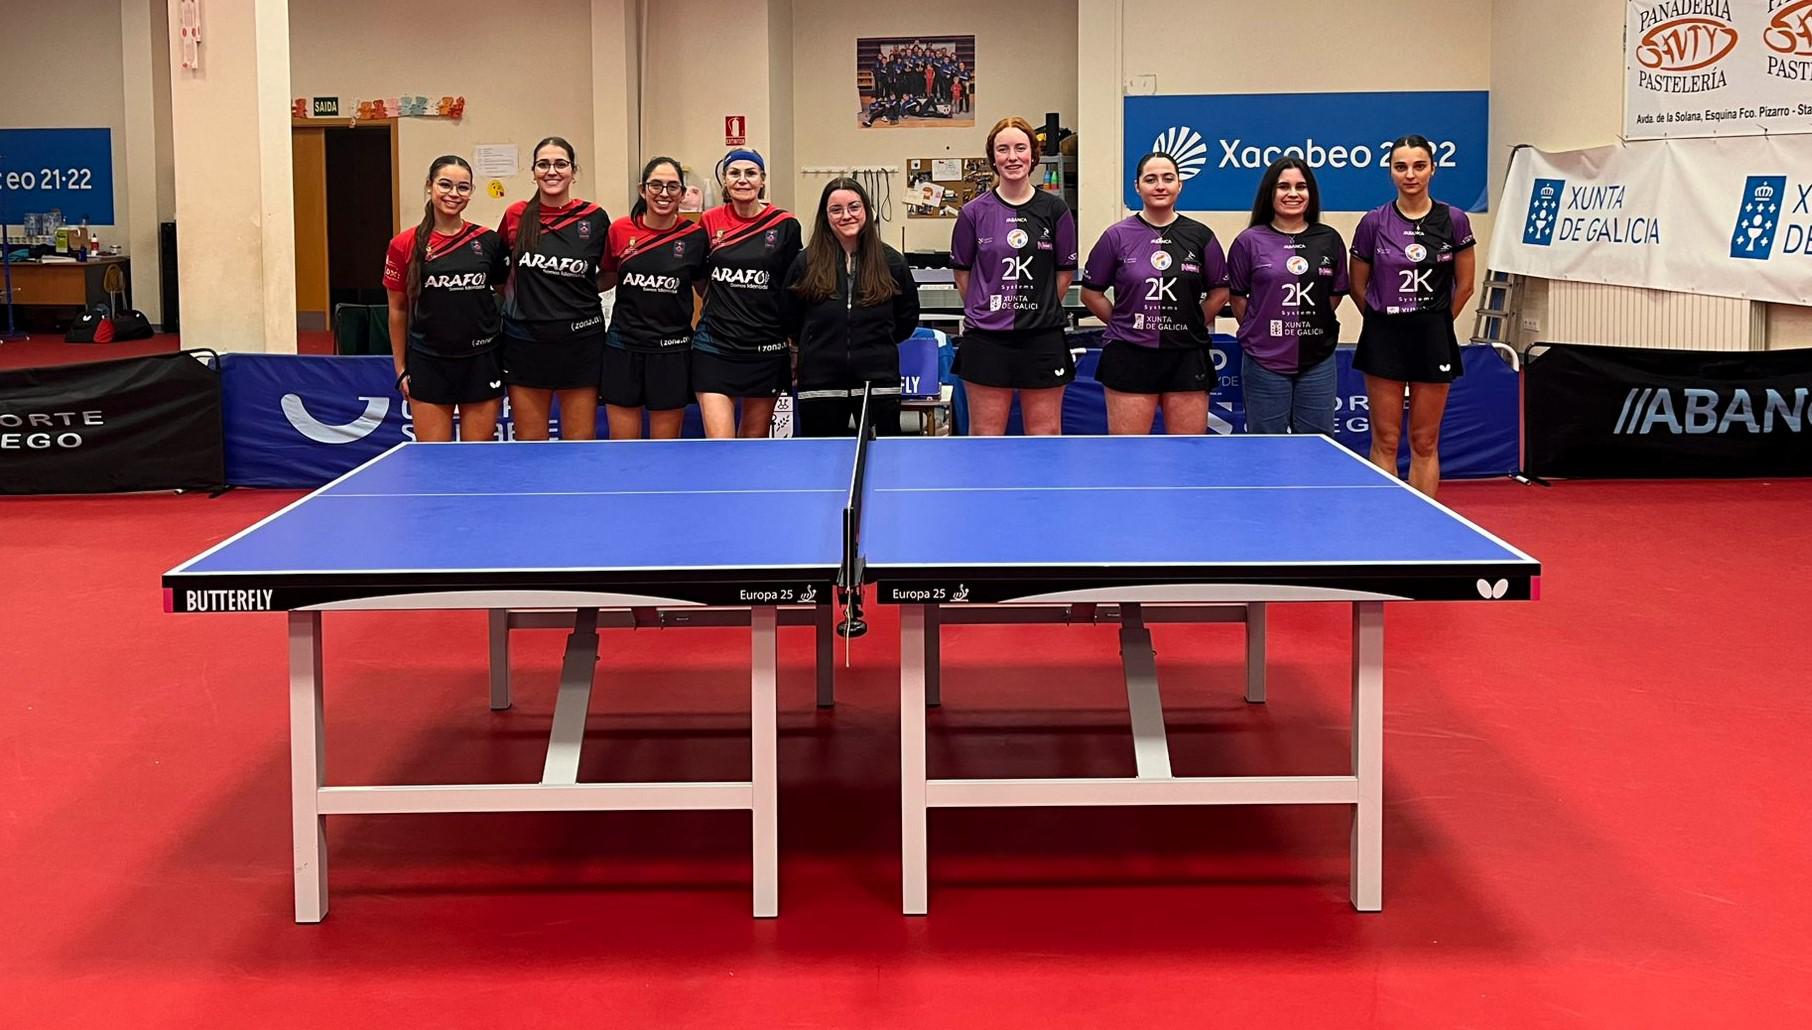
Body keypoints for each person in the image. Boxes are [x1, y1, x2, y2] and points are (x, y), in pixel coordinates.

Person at [1349, 134, 1477, 495]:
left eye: (1419, 166)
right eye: (1401, 167)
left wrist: (1435, 322)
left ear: (1433, 169)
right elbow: (1358, 286)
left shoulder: (1454, 220)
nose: (1410, 174)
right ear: (1390, 171)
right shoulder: (1374, 222)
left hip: (1433, 337)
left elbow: (1465, 286)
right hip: (1384, 336)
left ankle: (1423, 520)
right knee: (1386, 440)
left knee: (1424, 440)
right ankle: (1386, 518)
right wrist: (1385, 319)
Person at [1079, 152, 1228, 435]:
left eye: (1168, 178)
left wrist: (1192, 322)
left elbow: (1220, 293)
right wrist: (1123, 323)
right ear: (1137, 187)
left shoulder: (1201, 236)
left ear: (1179, 185)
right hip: (1129, 355)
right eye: (1151, 179)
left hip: (1186, 355)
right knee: (1129, 452)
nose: (1160, 186)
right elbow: (1091, 293)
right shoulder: (1116, 236)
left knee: (1188, 451)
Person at [950, 115, 1079, 435]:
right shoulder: (973, 213)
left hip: (1042, 337)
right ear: (992, 157)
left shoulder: (1055, 210)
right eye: (1003, 149)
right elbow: (963, 276)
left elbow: (1064, 274)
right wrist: (989, 309)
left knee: (1045, 437)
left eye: (1020, 148)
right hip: (987, 339)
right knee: (986, 437)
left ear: (1033, 155)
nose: (1012, 157)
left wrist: (1037, 308)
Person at [779, 177, 920, 437]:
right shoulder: (804, 263)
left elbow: (906, 318)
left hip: (878, 385)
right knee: (822, 459)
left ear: (866, 210)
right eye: (836, 209)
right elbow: (790, 317)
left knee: (883, 459)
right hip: (820, 386)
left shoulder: (892, 262)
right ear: (826, 216)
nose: (846, 215)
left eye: (854, 207)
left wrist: (875, 345)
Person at [384, 155, 509, 442]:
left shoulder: (488, 241)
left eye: (463, 187)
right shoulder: (404, 243)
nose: (454, 193)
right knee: (434, 459)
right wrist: (401, 368)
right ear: (429, 185)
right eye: (445, 184)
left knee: (476, 458)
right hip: (429, 361)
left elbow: (508, 293)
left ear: (471, 192)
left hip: (481, 360)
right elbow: (397, 309)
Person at [496, 136, 610, 441]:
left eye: (561, 164)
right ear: (533, 172)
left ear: (573, 171)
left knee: (580, 444)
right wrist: (526, 300)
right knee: (531, 445)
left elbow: (610, 272)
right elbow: (499, 274)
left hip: (581, 341)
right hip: (525, 341)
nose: (552, 171)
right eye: (543, 164)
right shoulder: (516, 214)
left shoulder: (594, 218)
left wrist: (573, 292)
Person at [1228, 157, 1349, 436]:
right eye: (1283, 186)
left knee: (1318, 447)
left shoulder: (1329, 238)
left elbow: (1332, 295)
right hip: (1264, 360)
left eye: (1301, 186)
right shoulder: (1249, 241)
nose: (1293, 193)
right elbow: (1238, 297)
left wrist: (1309, 324)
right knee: (1265, 446)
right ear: (1270, 192)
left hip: (1318, 358)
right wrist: (1261, 328)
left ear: (1311, 193)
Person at [692, 149, 803, 438]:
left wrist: (794, 345)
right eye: (734, 173)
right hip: (715, 346)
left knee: (753, 445)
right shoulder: (708, 221)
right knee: (721, 444)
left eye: (751, 173)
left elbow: (792, 288)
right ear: (725, 181)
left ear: (762, 180)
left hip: (765, 349)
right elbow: (700, 278)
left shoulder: (784, 224)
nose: (742, 180)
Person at [600, 156, 709, 440]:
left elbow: (706, 290)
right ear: (642, 189)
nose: (664, 193)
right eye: (656, 185)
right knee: (623, 449)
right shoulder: (619, 230)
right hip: (624, 348)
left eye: (672, 187)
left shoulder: (695, 236)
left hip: (671, 352)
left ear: (682, 193)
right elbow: (606, 278)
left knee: (665, 450)